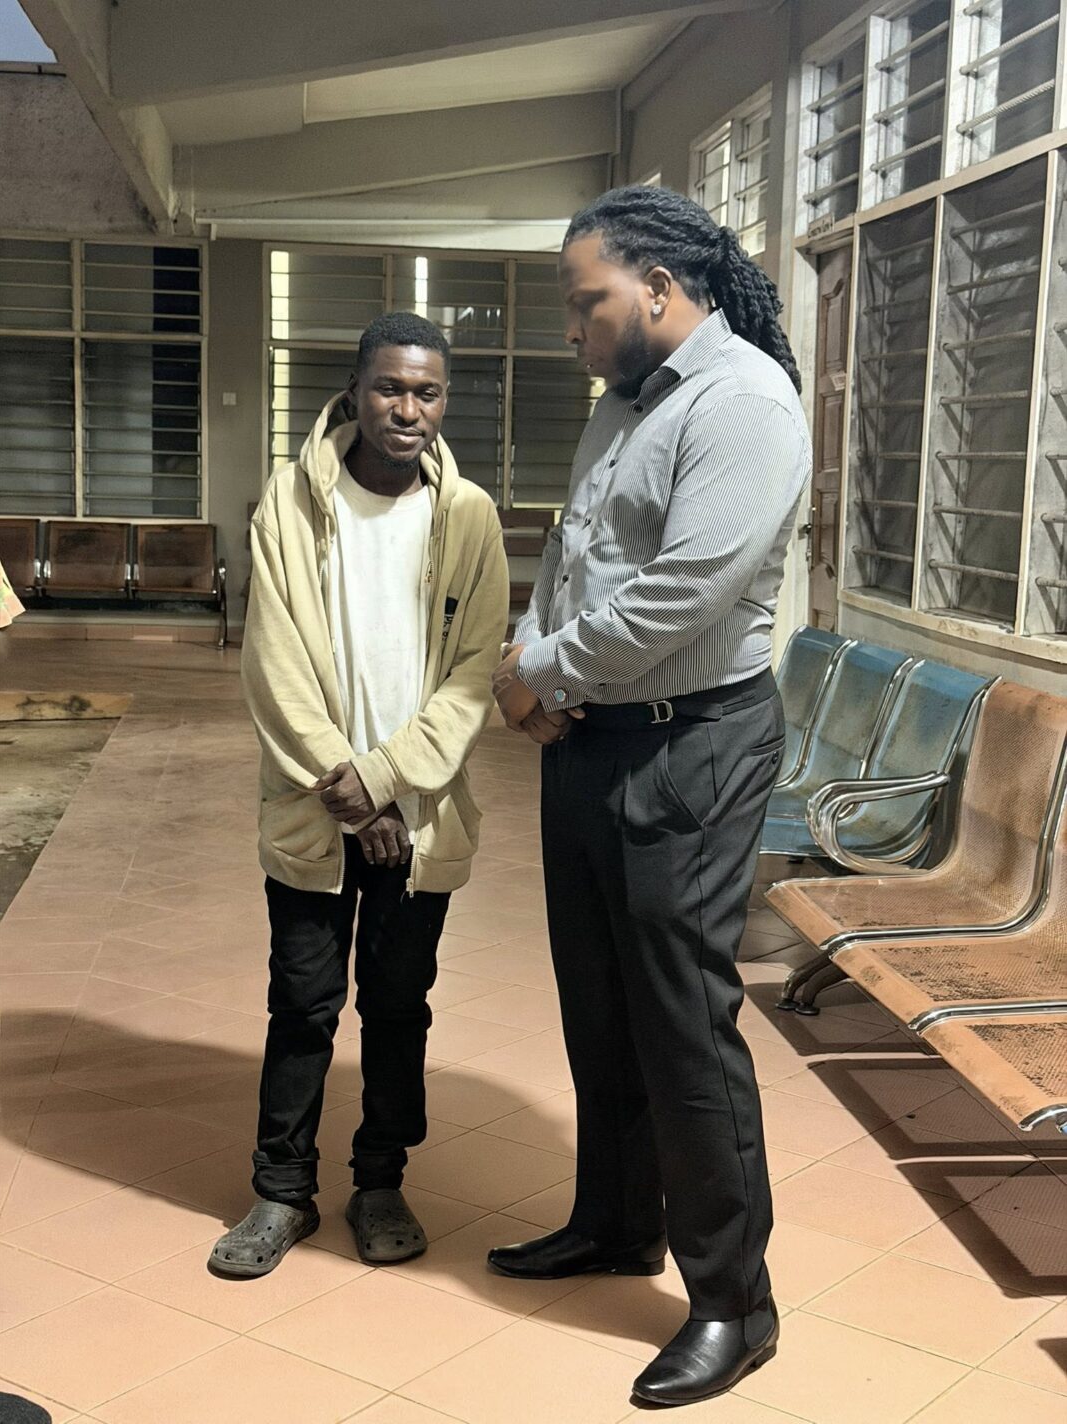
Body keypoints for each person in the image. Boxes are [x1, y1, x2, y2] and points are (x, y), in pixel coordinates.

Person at [488, 186, 811, 1407]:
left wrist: (536, 671)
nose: (573, 328)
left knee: (683, 1023)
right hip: (595, 740)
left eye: (588, 303)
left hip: (692, 747)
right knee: (600, 1003)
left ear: (662, 288)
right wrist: (535, 656)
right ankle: (616, 1222)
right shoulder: (623, 404)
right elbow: (572, 553)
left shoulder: (746, 405)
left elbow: (682, 593)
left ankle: (734, 1301)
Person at [211, 311, 509, 1278]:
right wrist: (348, 789)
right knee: (302, 1002)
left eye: (427, 392)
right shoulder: (291, 504)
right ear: (354, 391)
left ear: (443, 402)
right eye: (389, 388)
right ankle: (280, 1192)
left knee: (397, 1003)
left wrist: (384, 783)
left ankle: (380, 1181)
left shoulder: (470, 518)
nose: (407, 409)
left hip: (417, 817)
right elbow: (274, 664)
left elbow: (473, 677)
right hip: (315, 806)